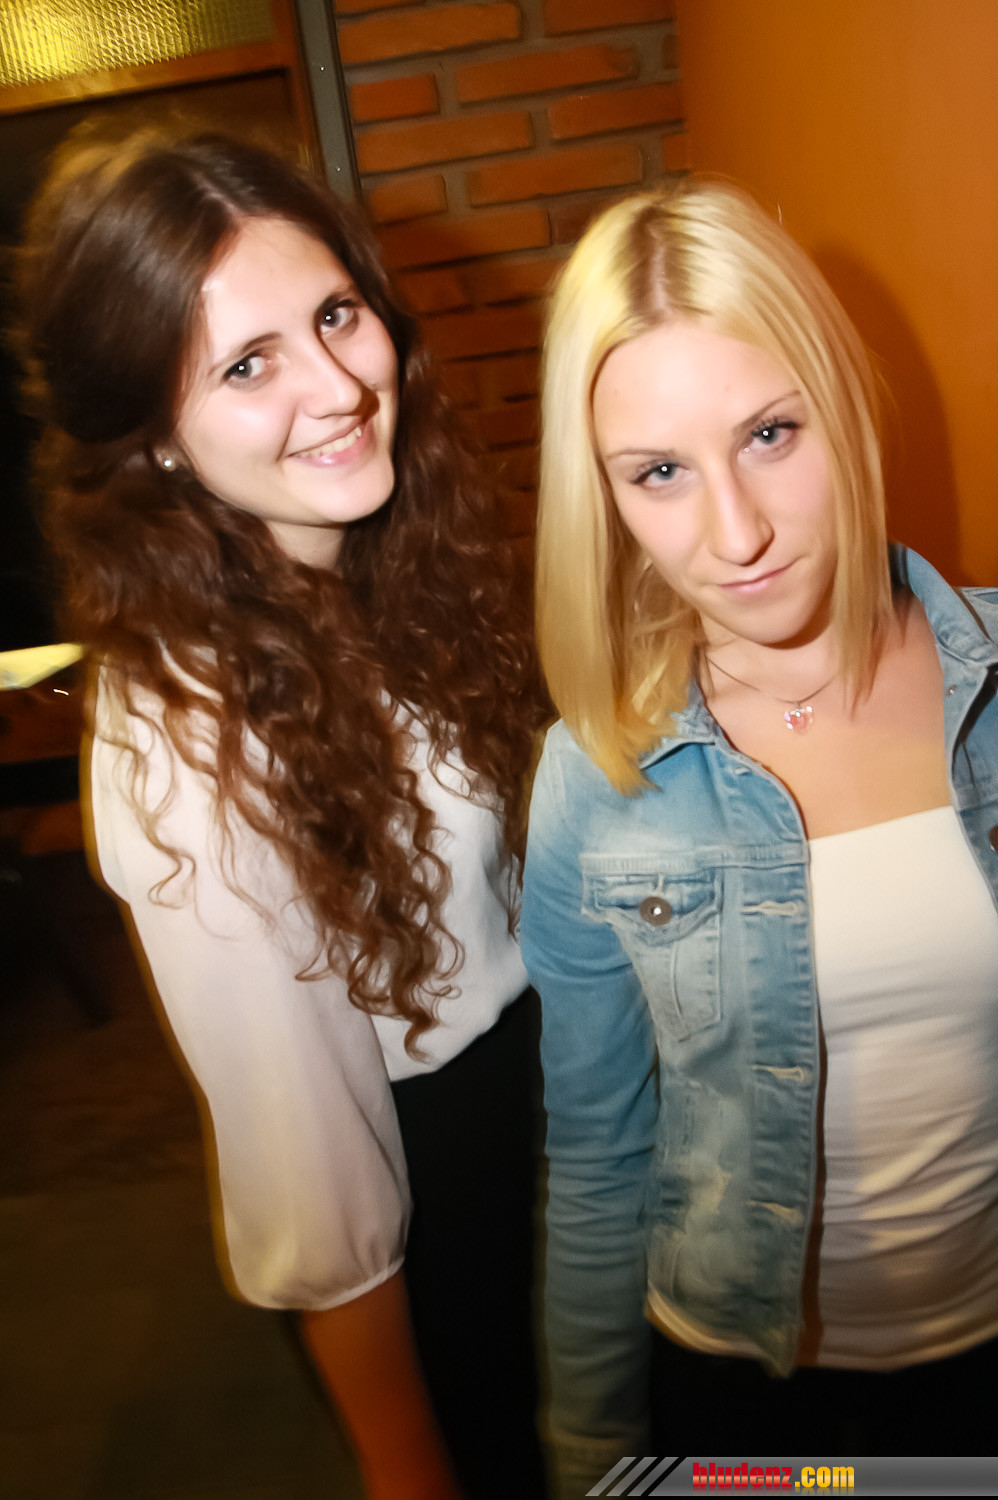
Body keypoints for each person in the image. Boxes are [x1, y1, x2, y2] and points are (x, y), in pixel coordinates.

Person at [16, 122, 549, 1500]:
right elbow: (314, 1183)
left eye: (334, 314)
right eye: (246, 365)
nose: (337, 384)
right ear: (156, 438)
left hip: (519, 1106)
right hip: (423, 1186)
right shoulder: (191, 751)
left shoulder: (370, 557)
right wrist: (407, 1464)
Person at [521, 178, 998, 1487]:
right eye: (659, 473)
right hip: (738, 1384)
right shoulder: (594, 781)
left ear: (842, 405)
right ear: (604, 498)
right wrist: (593, 1456)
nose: (735, 534)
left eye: (771, 434)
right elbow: (599, 1154)